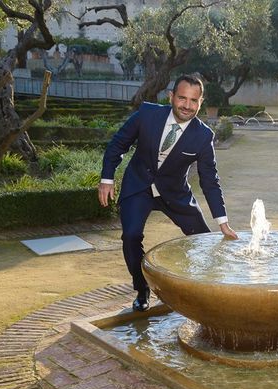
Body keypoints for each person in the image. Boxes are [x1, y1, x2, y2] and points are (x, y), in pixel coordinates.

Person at [99, 74, 238, 312]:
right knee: (131, 236)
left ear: (200, 102)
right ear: (171, 96)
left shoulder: (203, 136)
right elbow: (118, 143)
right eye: (182, 98)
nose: (187, 105)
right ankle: (142, 288)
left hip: (175, 193)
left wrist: (222, 222)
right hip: (139, 185)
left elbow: (209, 180)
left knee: (203, 240)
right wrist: (107, 179)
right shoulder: (147, 114)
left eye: (194, 100)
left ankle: (203, 291)